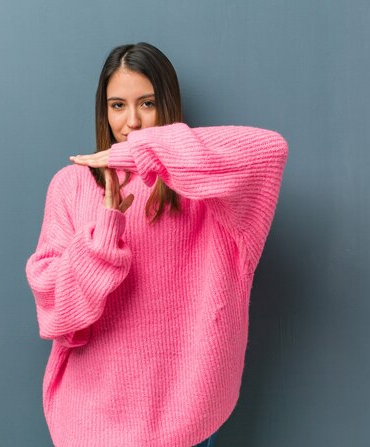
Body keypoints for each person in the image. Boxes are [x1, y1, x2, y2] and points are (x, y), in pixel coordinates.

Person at [25, 42, 288, 447]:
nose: (132, 121)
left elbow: (271, 150)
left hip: (185, 414)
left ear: (168, 103)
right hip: (92, 417)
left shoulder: (208, 194)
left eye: (146, 103)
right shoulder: (71, 185)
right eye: (117, 106)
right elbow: (57, 311)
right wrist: (106, 228)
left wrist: (145, 153)